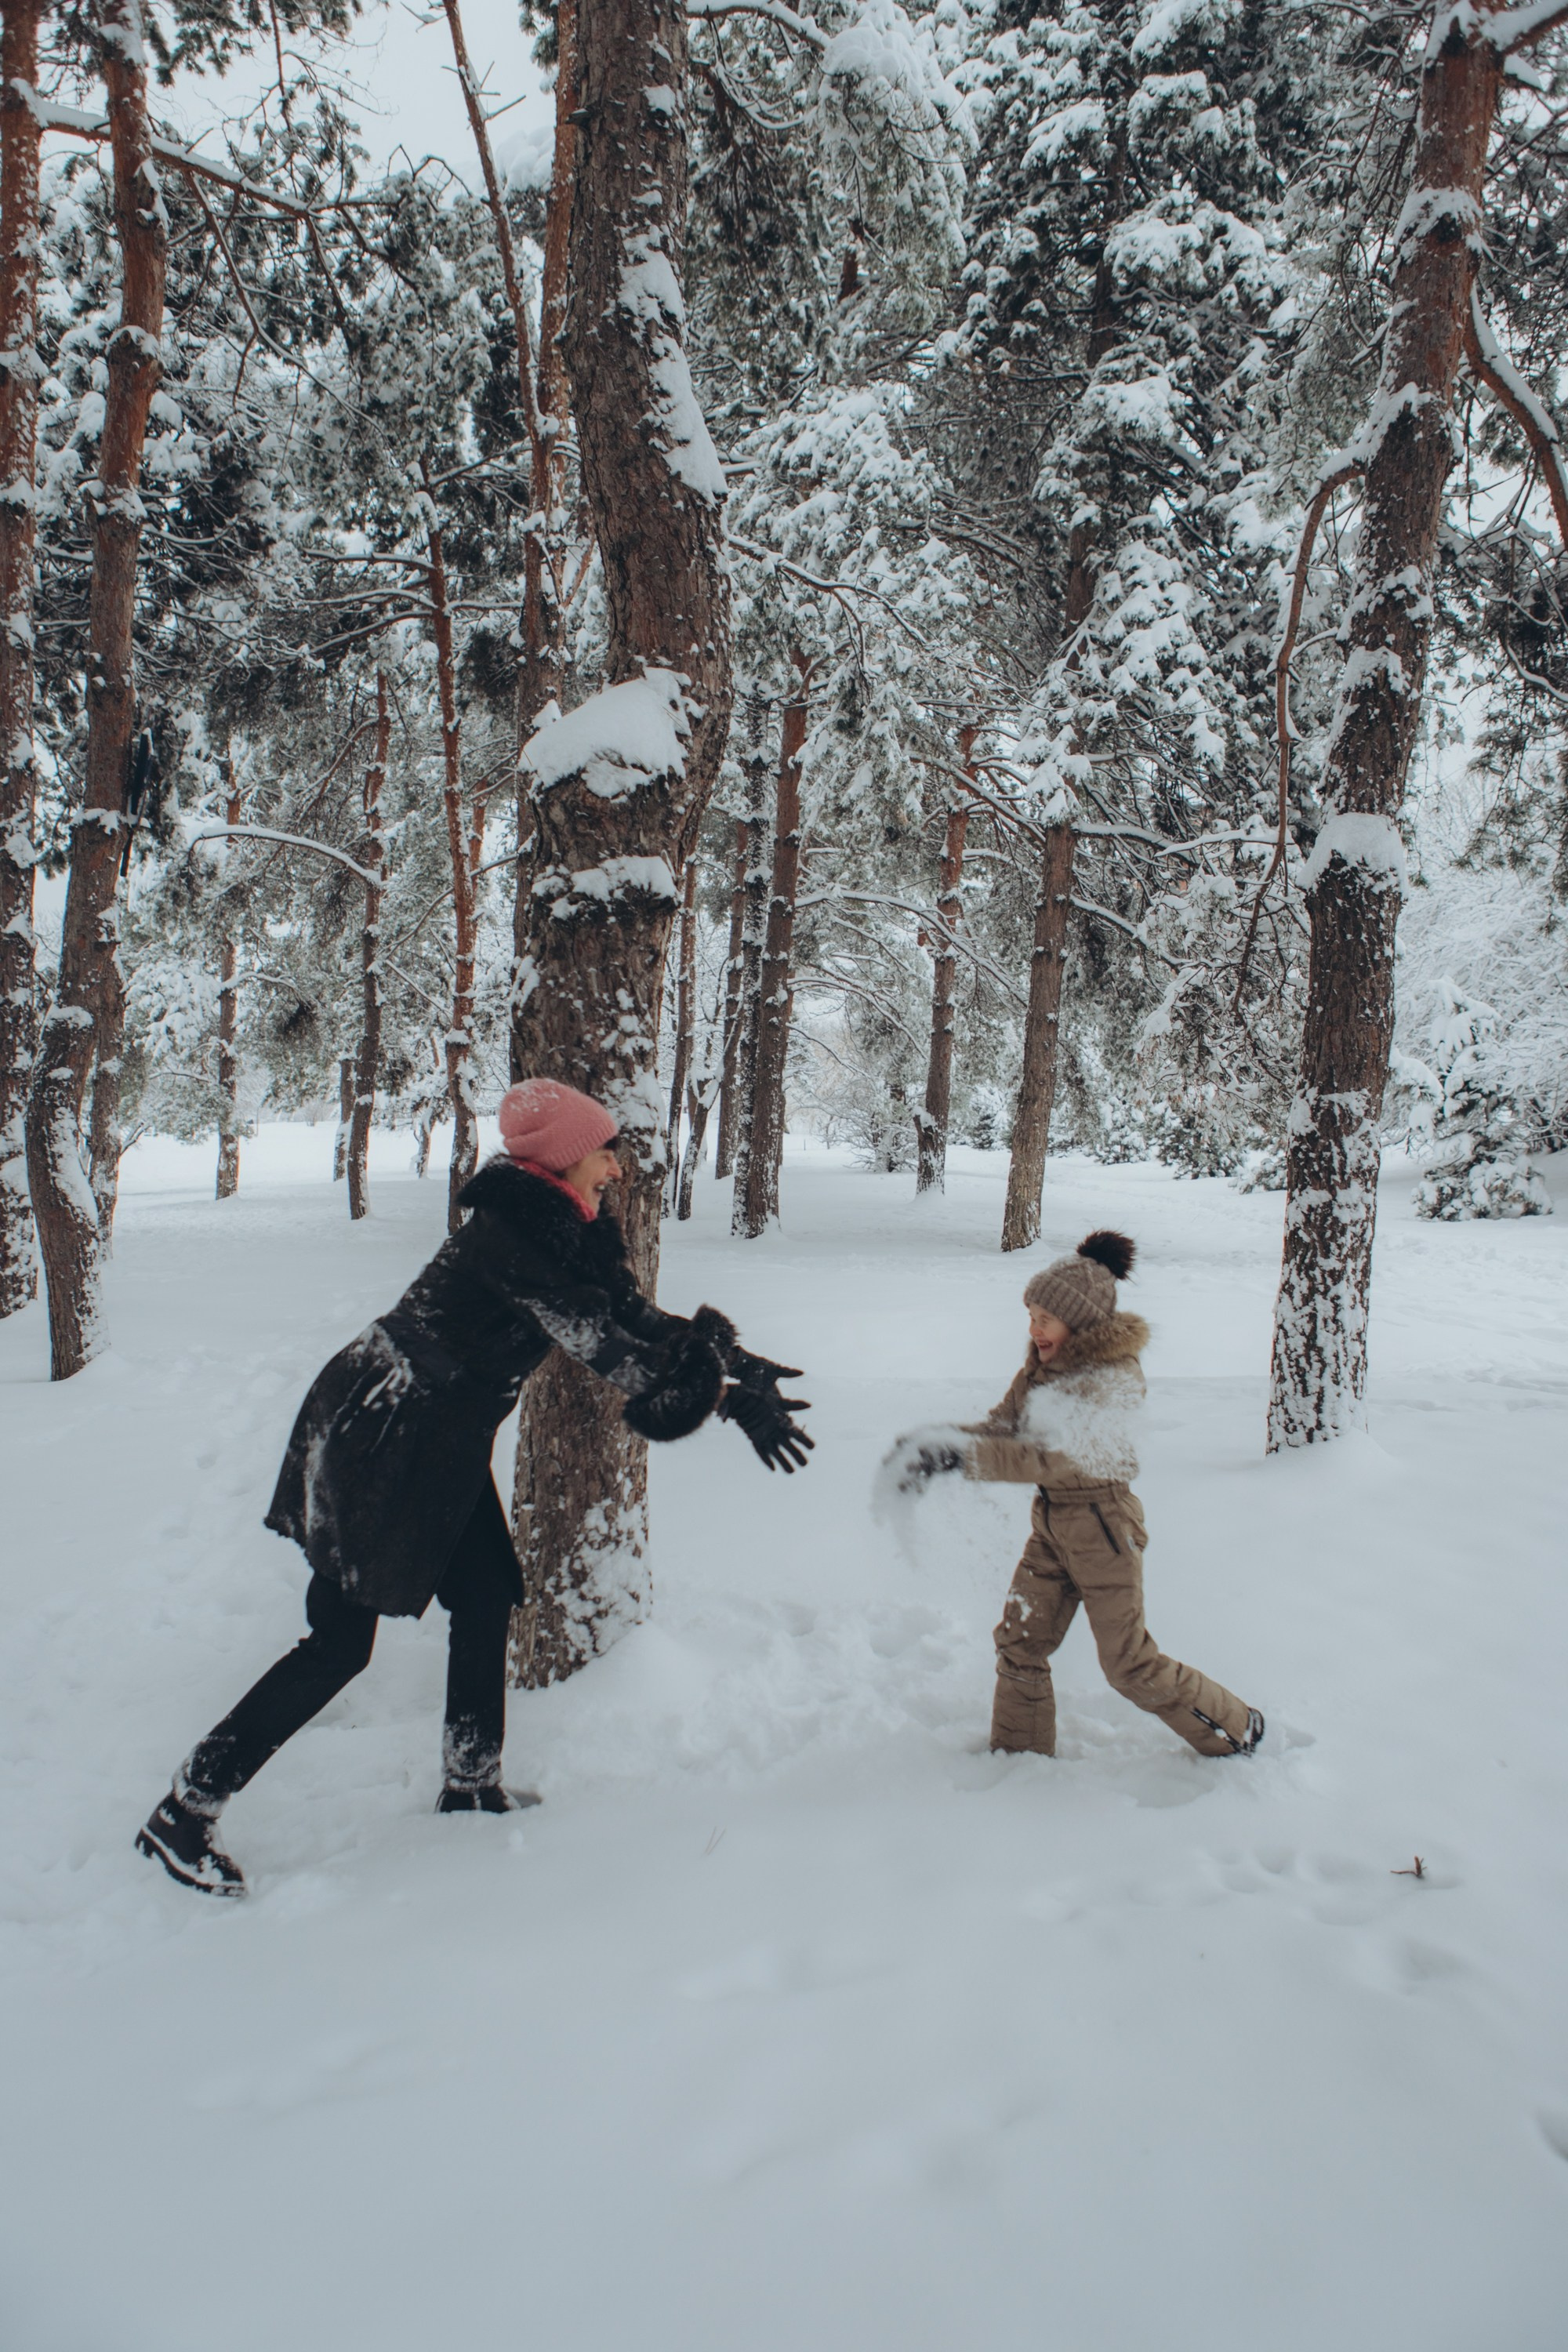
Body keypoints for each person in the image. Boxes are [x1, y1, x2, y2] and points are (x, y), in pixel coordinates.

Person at [137, 1078, 812, 1897]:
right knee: (339, 1644)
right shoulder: (517, 1243)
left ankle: (470, 1781)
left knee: (486, 1592)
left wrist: (732, 1361)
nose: (618, 1170)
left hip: (437, 1434)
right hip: (387, 1433)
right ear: (565, 1160)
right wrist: (728, 1401)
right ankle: (185, 1809)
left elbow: (626, 1314)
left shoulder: (562, 1228)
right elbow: (603, 1346)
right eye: (606, 1152)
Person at [884, 1230, 1261, 1762]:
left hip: (1104, 1529)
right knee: (1019, 1645)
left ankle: (1238, 1728)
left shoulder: (1113, 1380)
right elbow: (1002, 1429)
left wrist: (961, 1459)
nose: (1034, 1328)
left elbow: (1058, 1459)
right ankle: (1020, 1761)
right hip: (1053, 1526)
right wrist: (933, 1444)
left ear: (1079, 1321)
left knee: (1128, 1664)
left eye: (1045, 1318)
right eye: (1031, 1315)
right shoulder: (1040, 1372)